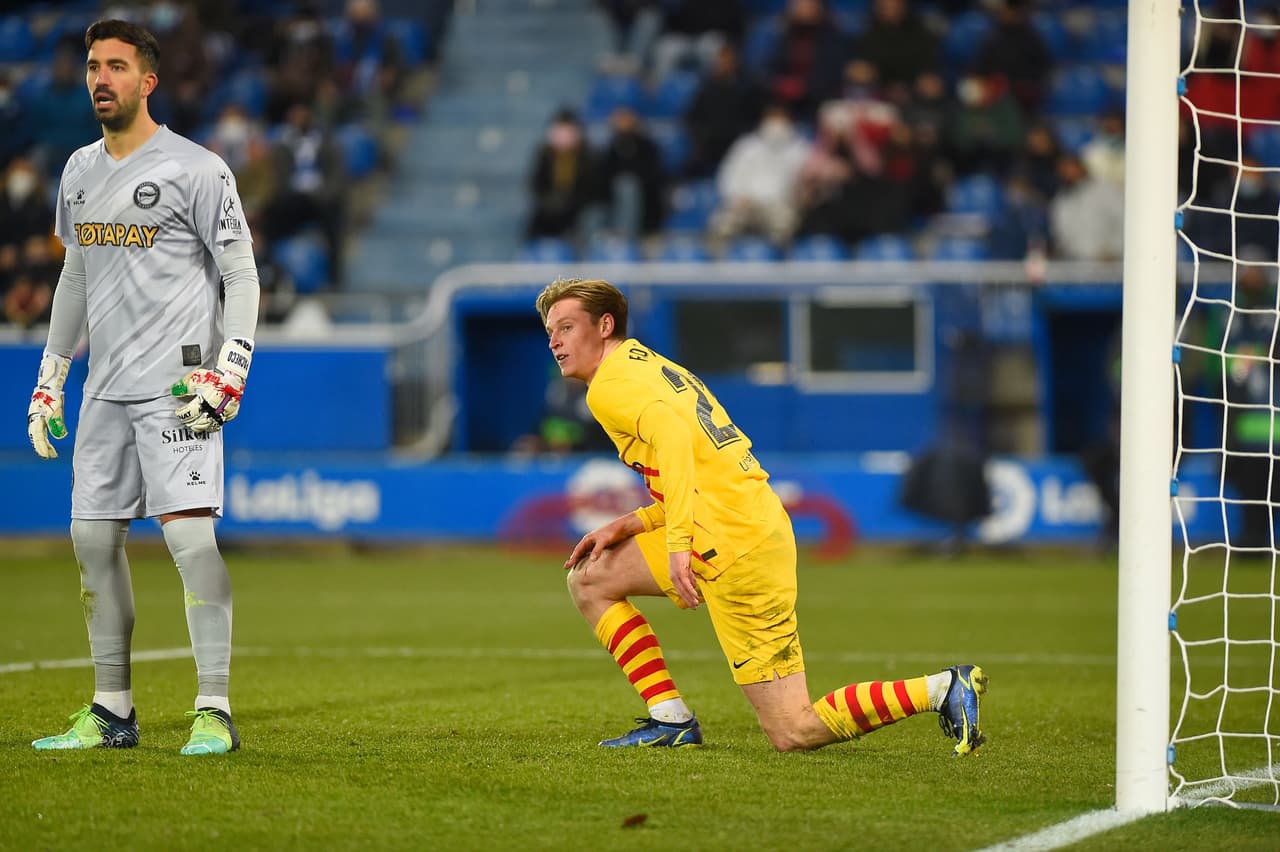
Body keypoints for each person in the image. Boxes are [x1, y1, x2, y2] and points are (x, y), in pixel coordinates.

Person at [535, 277, 988, 753]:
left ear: (605, 325)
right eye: (550, 331)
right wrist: (631, 523)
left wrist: (676, 547)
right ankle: (671, 720)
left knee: (794, 731)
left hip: (735, 546)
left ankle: (941, 689)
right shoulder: (643, 363)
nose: (555, 342)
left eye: (566, 327)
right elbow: (704, 469)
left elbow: (672, 439)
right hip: (738, 521)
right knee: (589, 578)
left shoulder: (608, 387)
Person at [26, 19, 260, 756]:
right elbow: (74, 275)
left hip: (177, 387)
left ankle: (214, 708)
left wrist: (232, 366)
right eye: (94, 65)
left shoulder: (197, 169)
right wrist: (51, 377)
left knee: (190, 539)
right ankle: (112, 709)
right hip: (105, 390)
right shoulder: (77, 171)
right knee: (91, 541)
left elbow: (241, 276)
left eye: (117, 66)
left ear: (147, 80)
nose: (102, 77)